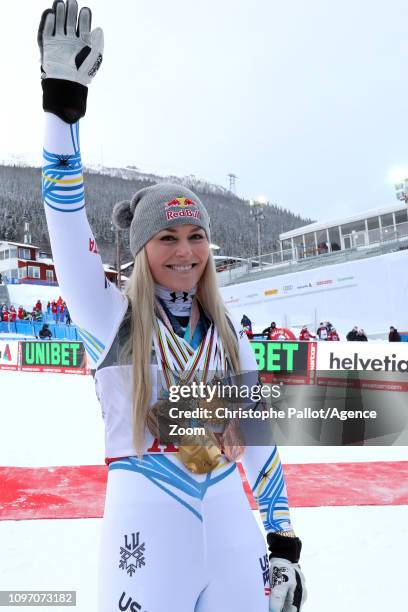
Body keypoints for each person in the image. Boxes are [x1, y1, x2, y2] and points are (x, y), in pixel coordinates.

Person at [37, 3, 306, 610]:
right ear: (139, 248)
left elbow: (255, 434)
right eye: (166, 238)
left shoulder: (223, 326)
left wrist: (282, 536)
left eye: (195, 237)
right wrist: (62, 111)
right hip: (149, 527)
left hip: (234, 532)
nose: (185, 252)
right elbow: (63, 214)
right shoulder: (109, 316)